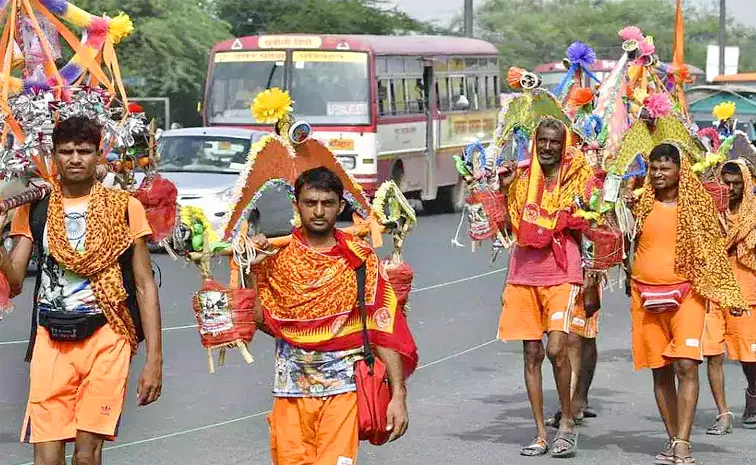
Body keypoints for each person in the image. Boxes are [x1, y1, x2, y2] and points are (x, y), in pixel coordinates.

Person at [0, 116, 163, 465]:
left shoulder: (123, 207)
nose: (75, 159)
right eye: (66, 151)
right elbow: (15, 281)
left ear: (98, 155)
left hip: (108, 333)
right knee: (46, 454)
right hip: (51, 337)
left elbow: (144, 284)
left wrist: (154, 360)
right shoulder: (35, 208)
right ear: (54, 156)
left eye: (84, 151)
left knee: (87, 454)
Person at [247, 167, 418, 465]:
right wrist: (250, 267)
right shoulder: (278, 258)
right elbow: (262, 320)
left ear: (340, 206)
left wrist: (398, 396)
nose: (318, 211)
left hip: (344, 392)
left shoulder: (360, 258)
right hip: (290, 392)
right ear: (296, 205)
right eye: (310, 202)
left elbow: (382, 328)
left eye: (327, 203)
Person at [627, 143, 747, 465]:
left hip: (687, 296)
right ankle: (673, 438)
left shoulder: (697, 206)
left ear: (680, 170)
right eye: (653, 168)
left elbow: (713, 253)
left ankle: (683, 441)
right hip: (645, 296)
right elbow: (618, 238)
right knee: (660, 371)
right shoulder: (639, 204)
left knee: (686, 365)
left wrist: (729, 295)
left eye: (665, 167)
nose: (658, 174)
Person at [498, 119, 593, 458]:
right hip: (523, 274)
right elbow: (510, 226)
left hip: (562, 273)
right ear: (535, 143)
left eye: (555, 141)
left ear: (563, 145)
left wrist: (575, 214)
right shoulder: (521, 180)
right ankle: (540, 433)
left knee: (556, 349)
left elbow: (592, 218)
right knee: (531, 354)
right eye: (543, 141)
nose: (548, 147)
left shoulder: (577, 178)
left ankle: (566, 421)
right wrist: (505, 189)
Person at [702, 159, 756, 434]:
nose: (731, 188)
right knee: (713, 354)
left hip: (747, 291)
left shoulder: (754, 214)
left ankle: (753, 395)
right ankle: (723, 414)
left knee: (750, 357)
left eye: (737, 184)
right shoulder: (709, 212)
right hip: (713, 290)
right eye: (726, 183)